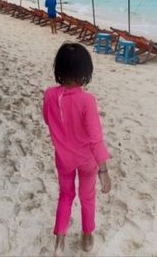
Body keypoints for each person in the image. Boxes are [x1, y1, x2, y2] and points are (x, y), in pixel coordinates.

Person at [43, 43, 111, 257]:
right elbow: (95, 139)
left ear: (59, 70)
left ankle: (59, 242)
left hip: (63, 158)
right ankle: (87, 236)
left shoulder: (49, 95)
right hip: (87, 160)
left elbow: (48, 120)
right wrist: (104, 171)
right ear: (84, 72)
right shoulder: (87, 101)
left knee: (65, 195)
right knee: (87, 196)